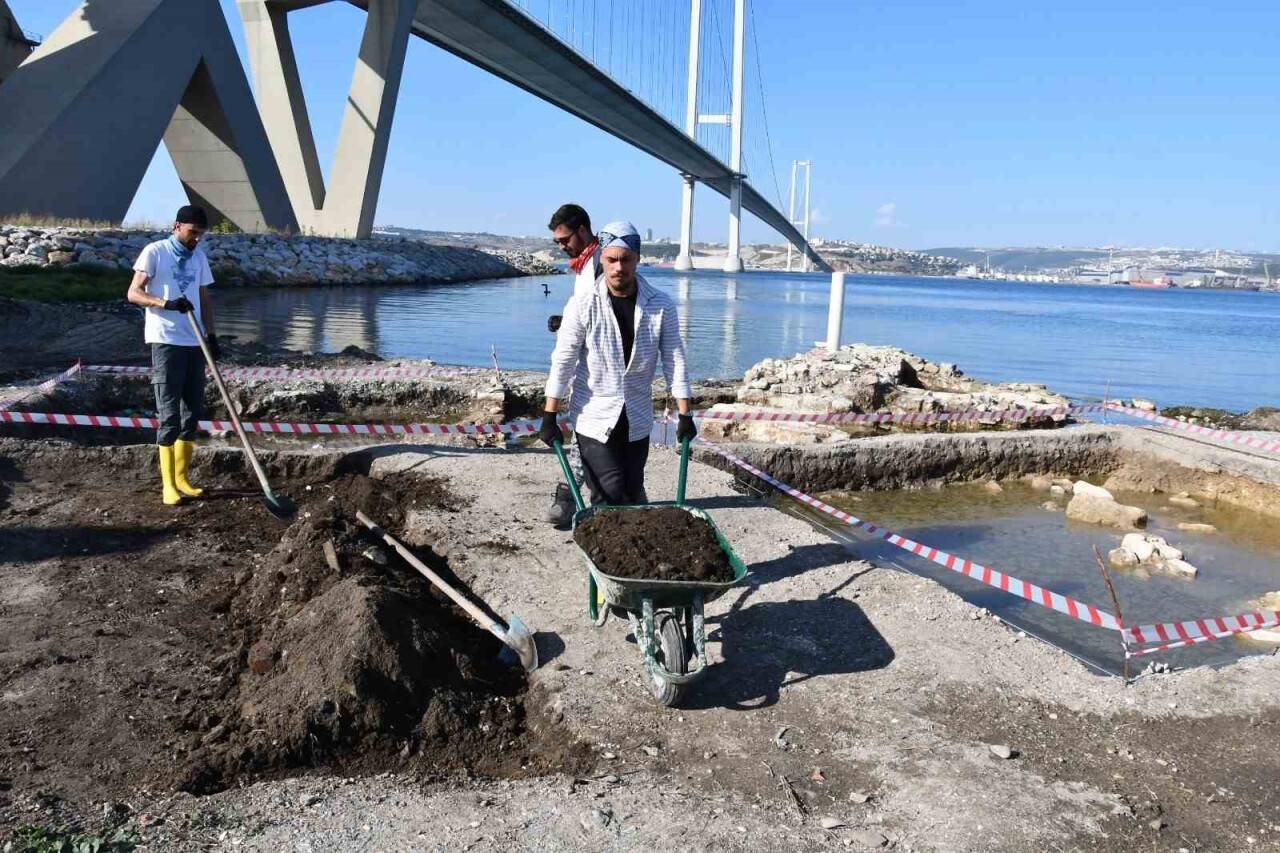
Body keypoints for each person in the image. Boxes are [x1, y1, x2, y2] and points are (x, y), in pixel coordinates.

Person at [540, 221, 697, 506]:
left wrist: (685, 414)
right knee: (609, 491)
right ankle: (600, 540)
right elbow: (563, 361)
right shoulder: (582, 305)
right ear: (602, 258)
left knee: (633, 491)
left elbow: (675, 359)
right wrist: (550, 414)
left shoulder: (660, 305)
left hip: (637, 416)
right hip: (593, 415)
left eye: (625, 259)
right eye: (611, 259)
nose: (618, 267)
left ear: (637, 258)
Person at [126, 204, 220, 506]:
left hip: (195, 341)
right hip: (166, 341)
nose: (196, 240)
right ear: (177, 226)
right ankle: (168, 485)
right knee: (169, 415)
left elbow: (204, 298)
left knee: (192, 413)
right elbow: (133, 293)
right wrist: (166, 303)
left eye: (201, 235)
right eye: (192, 233)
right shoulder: (155, 252)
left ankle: (183, 479)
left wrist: (212, 334)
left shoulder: (200, 257)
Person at [544, 203, 601, 527]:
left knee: (585, 435)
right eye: (557, 243)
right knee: (587, 435)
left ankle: (567, 501)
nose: (562, 246)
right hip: (587, 365)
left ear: (582, 230)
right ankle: (574, 499)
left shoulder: (600, 263)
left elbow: (606, 313)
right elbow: (587, 310)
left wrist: (570, 323)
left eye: (564, 239)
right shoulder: (584, 265)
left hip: (600, 370)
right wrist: (566, 321)